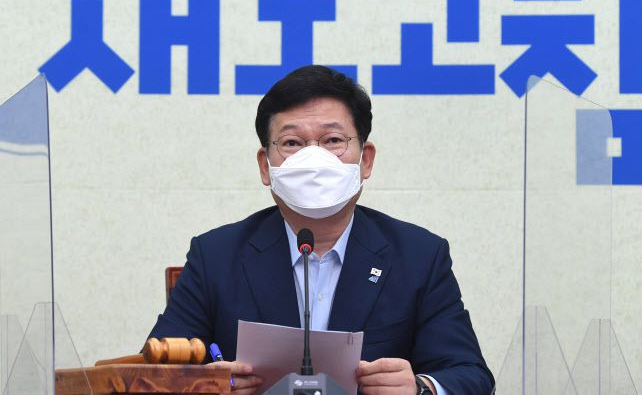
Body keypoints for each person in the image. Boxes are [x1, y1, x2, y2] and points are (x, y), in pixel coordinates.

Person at [148, 65, 494, 394]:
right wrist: (206, 385)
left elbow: (470, 375)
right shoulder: (216, 256)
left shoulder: (419, 256)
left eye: (332, 140)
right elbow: (150, 375)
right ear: (265, 166)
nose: (314, 160)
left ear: (366, 160)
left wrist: (420, 388)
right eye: (292, 143)